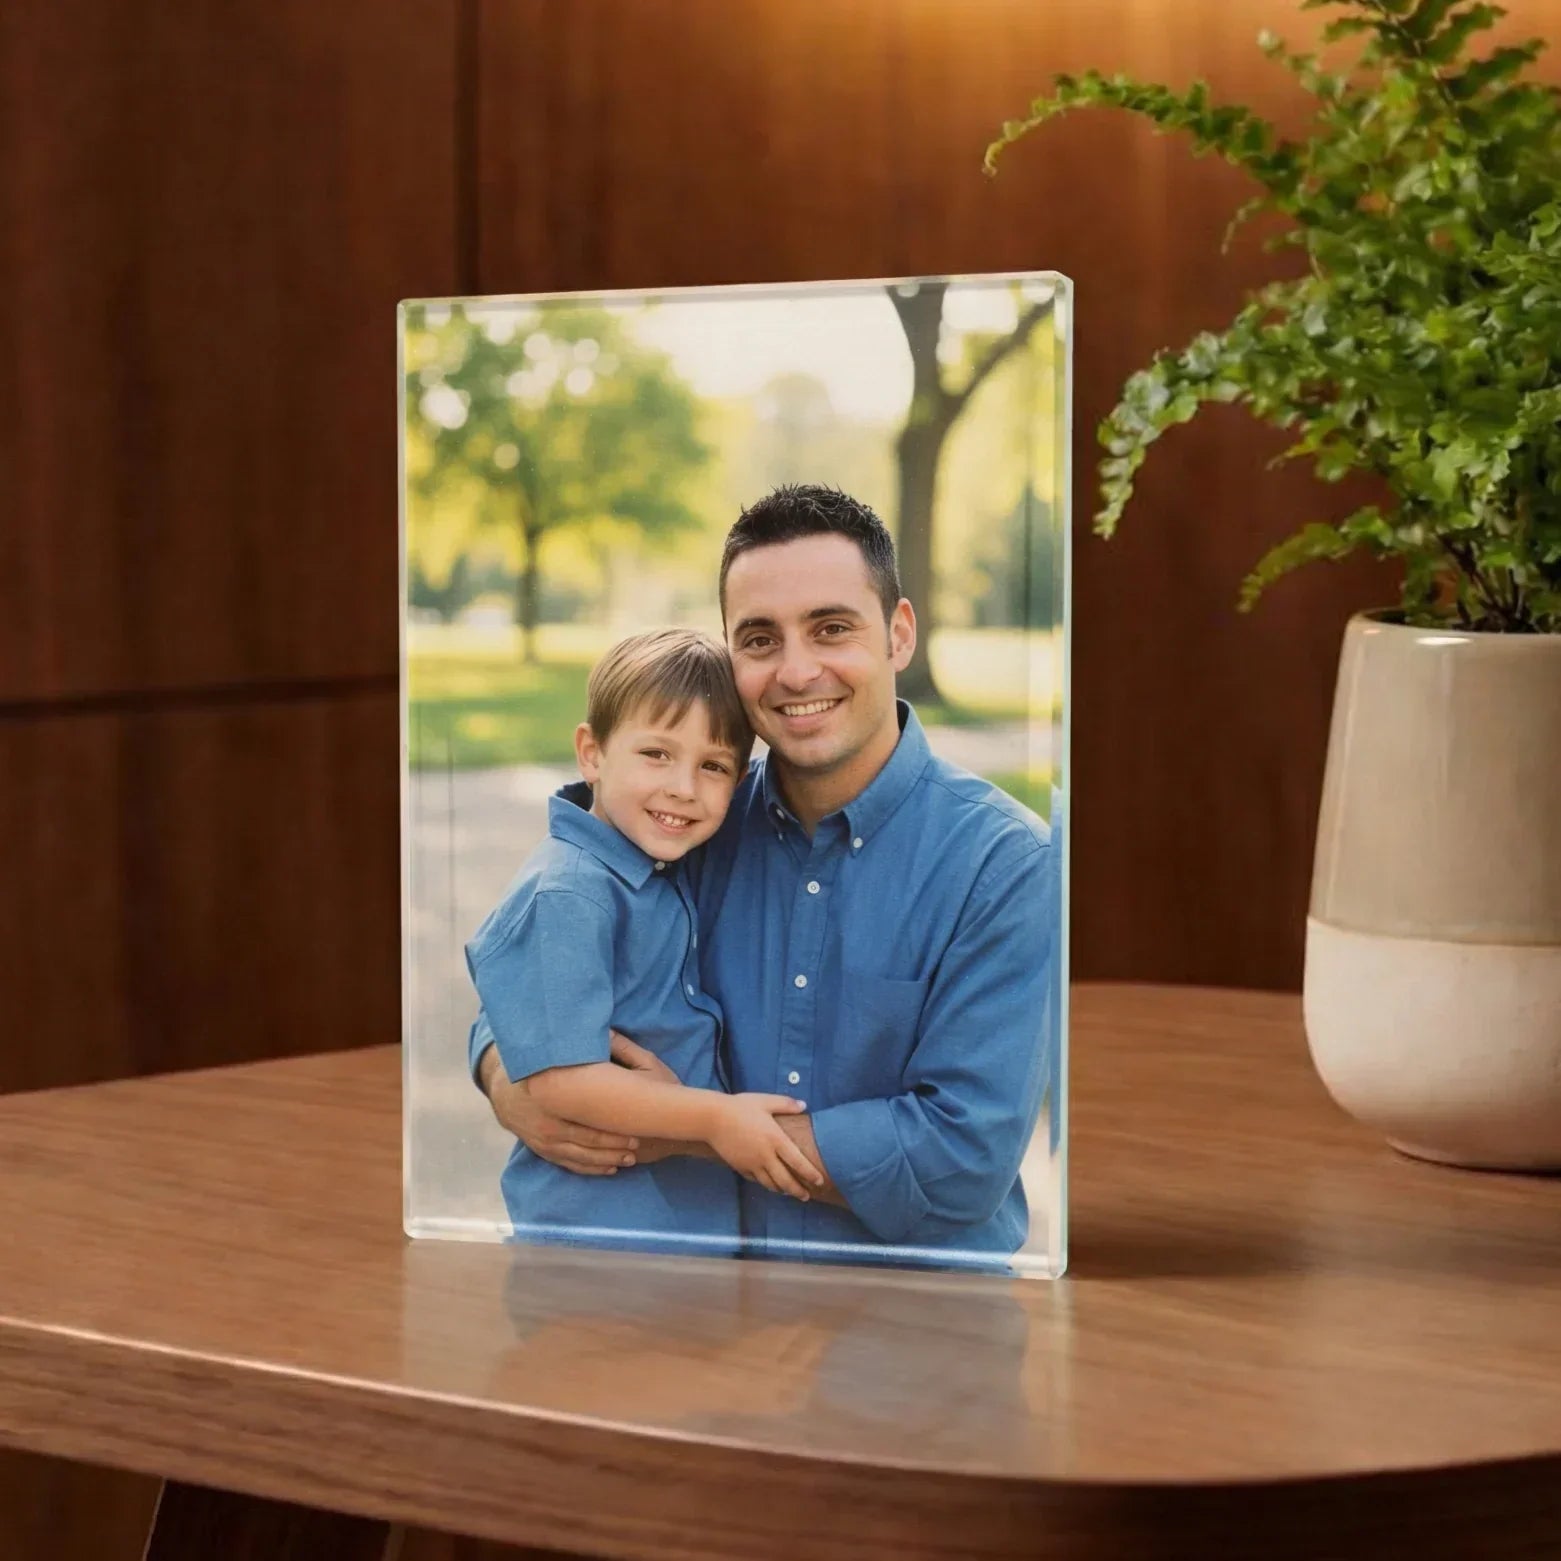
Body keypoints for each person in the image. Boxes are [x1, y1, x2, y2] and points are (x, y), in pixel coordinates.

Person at [475, 485, 1059, 1269]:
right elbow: (553, 955)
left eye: (830, 628)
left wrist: (691, 1126)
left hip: (913, 1326)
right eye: (757, 639)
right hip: (705, 1318)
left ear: (898, 633)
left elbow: (960, 1157)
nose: (795, 669)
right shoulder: (689, 824)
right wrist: (508, 1079)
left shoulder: (1004, 864)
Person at [465, 627, 823, 1256]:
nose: (683, 787)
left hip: (683, 1236)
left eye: (712, 766)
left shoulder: (661, 865)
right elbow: (561, 1081)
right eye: (656, 754)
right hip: (597, 1242)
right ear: (592, 753)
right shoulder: (568, 893)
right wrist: (716, 1117)